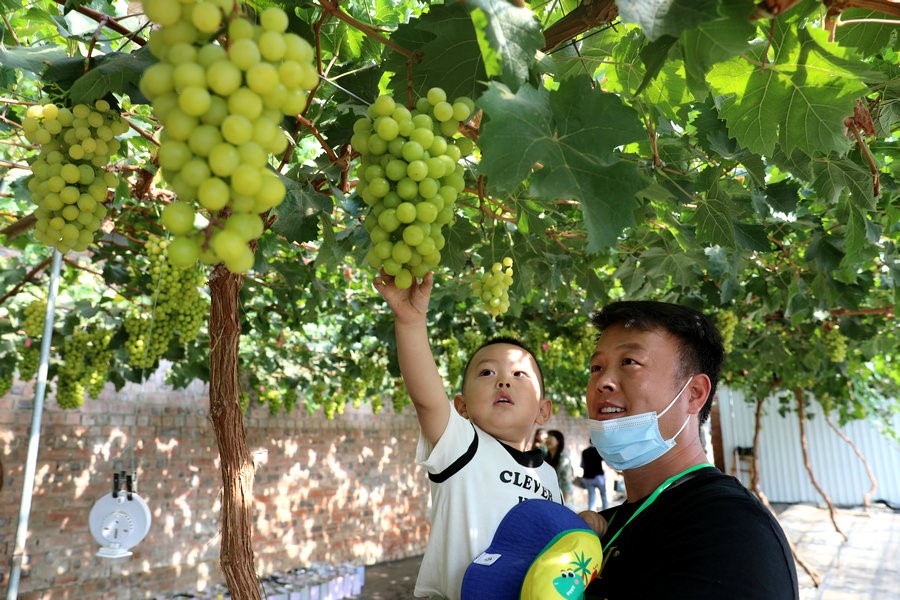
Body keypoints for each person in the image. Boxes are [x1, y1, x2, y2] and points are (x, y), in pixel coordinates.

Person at [579, 300, 799, 599]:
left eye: (629, 362)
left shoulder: (729, 528)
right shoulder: (605, 524)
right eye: (596, 367)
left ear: (694, 394)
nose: (602, 382)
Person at [374, 272, 563, 599]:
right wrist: (410, 321)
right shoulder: (462, 447)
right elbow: (427, 398)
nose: (503, 381)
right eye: (487, 372)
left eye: (519, 374)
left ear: (543, 411)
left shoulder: (549, 476)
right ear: (461, 406)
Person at [544, 430, 575, 507]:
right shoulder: (546, 458)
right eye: (547, 438)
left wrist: (564, 504)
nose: (547, 440)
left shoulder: (563, 458)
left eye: (550, 438)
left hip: (563, 499)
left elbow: (566, 481)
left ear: (558, 441)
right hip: (551, 497)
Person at [580, 443, 608, 511]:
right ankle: (606, 511)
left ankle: (592, 513)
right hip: (599, 478)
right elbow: (607, 462)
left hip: (588, 478)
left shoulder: (584, 452)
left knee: (591, 497)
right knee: (603, 495)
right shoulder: (599, 451)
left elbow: (582, 465)